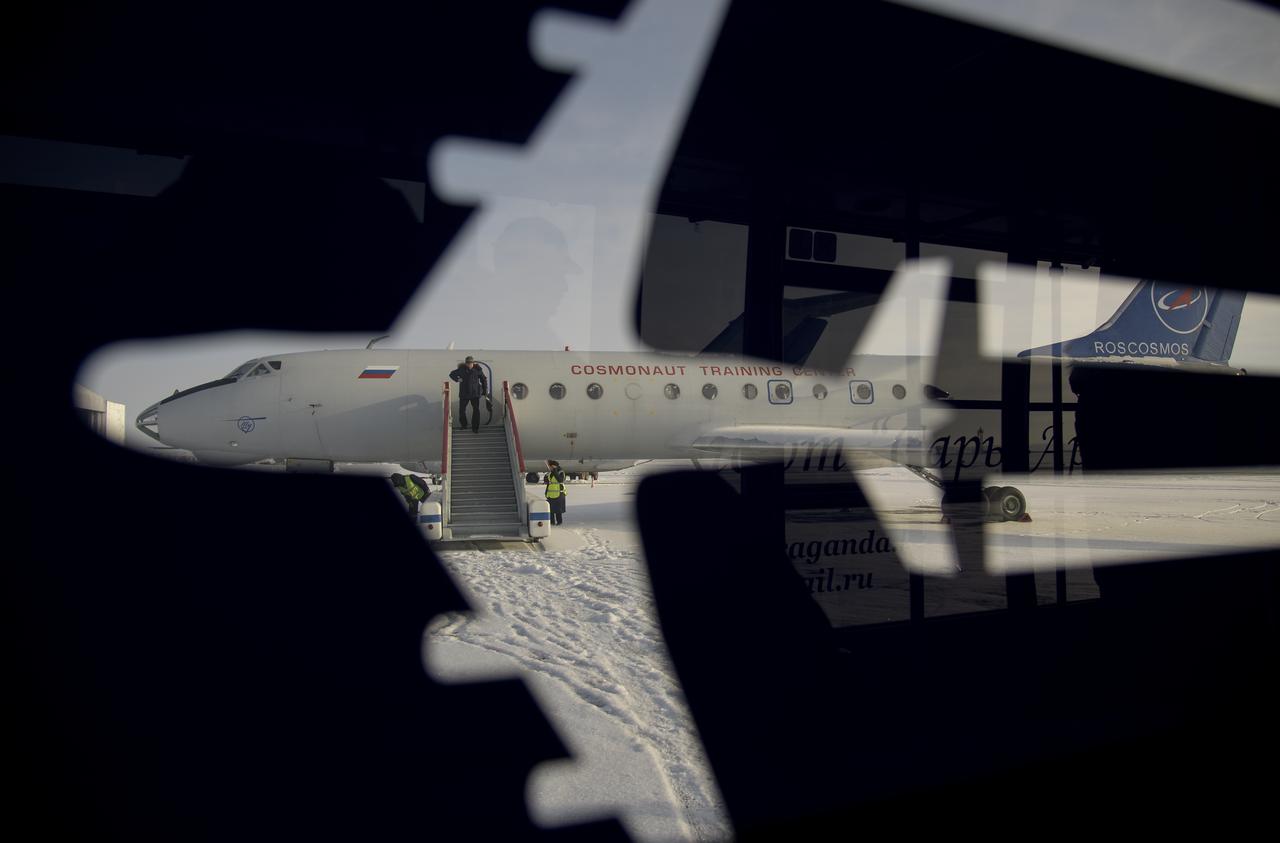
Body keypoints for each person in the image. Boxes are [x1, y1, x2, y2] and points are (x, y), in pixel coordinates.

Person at [448, 356, 488, 434]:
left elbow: (483, 379)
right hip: (464, 394)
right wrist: (458, 379)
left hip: (474, 394)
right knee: (462, 411)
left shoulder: (478, 370)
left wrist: (484, 390)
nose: (469, 364)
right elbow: (452, 374)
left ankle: (475, 428)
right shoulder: (461, 370)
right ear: (466, 363)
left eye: (470, 363)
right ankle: (464, 425)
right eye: (467, 363)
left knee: (476, 410)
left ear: (473, 363)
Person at [543, 459, 567, 526]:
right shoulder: (550, 472)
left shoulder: (560, 472)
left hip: (559, 493)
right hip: (550, 493)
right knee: (550, 509)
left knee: (558, 509)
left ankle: (559, 522)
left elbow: (560, 480)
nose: (550, 468)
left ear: (554, 466)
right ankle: (552, 522)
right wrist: (546, 491)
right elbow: (547, 482)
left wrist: (554, 471)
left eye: (551, 467)